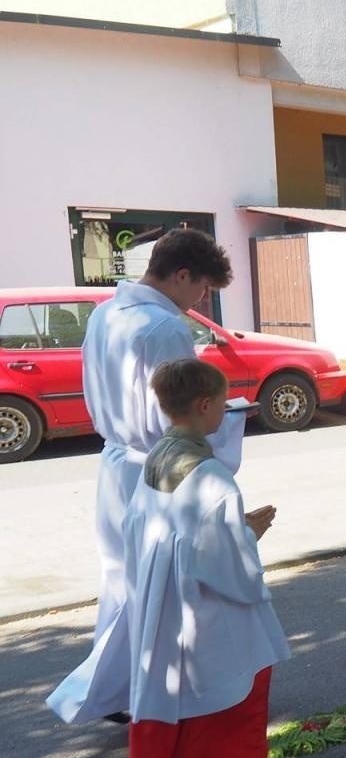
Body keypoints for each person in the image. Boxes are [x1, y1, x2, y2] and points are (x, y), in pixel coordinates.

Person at [47, 228, 247, 727]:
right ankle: (165, 693)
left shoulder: (104, 313)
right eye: (200, 289)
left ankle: (118, 690)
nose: (200, 300)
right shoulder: (164, 329)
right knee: (167, 585)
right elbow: (180, 413)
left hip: (116, 461)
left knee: (121, 578)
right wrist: (230, 419)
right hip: (160, 466)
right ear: (180, 275)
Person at [123, 359, 311, 758]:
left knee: (242, 688)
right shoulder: (210, 476)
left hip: (170, 601)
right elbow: (222, 558)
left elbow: (164, 535)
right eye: (224, 405)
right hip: (208, 608)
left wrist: (235, 531)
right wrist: (249, 534)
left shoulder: (158, 456)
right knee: (215, 701)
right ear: (205, 406)